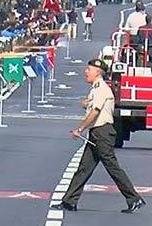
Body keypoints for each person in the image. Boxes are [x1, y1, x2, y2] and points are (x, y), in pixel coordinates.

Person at [52, 59, 145, 214]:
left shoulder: (102, 88)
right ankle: (69, 201)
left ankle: (134, 198)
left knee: (112, 168)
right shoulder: (96, 89)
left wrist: (80, 128)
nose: (86, 72)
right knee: (83, 168)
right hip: (97, 133)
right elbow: (92, 106)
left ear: (97, 72)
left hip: (103, 133)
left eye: (89, 69)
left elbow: (95, 112)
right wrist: (85, 103)